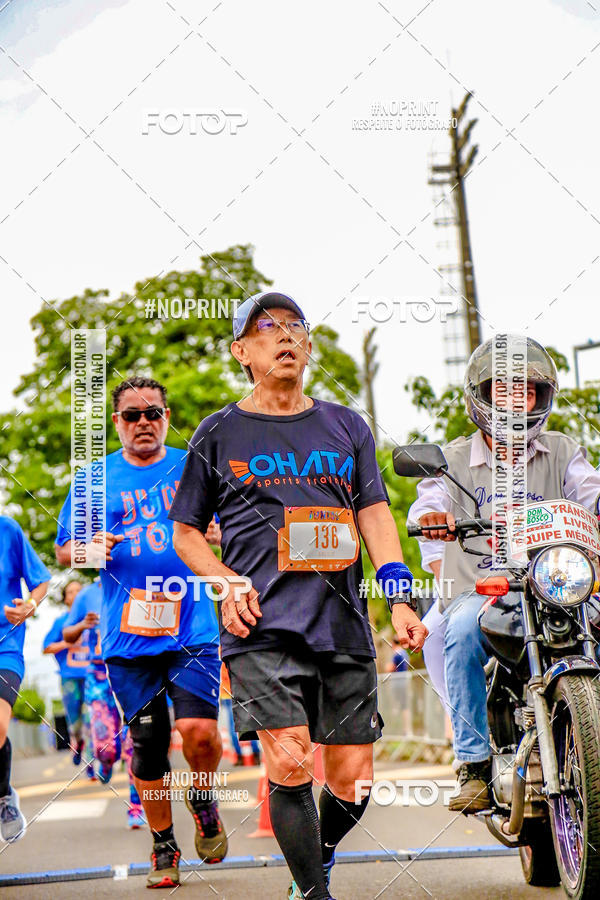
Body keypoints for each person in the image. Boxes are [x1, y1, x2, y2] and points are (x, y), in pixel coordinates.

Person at [168, 291, 428, 900]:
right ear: (242, 351)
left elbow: (375, 515)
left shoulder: (346, 426)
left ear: (308, 346)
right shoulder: (218, 432)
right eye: (267, 328)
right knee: (287, 761)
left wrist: (400, 596)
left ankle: (319, 854)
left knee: (352, 780)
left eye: (295, 326)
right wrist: (224, 578)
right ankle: (313, 892)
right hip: (260, 626)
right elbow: (185, 533)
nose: (284, 335)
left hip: (340, 627)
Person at [408, 335, 600, 812]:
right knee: (460, 630)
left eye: (528, 392)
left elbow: (590, 494)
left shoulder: (562, 450)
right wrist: (433, 518)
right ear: (481, 395)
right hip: (485, 588)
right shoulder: (452, 460)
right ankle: (472, 764)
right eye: (505, 390)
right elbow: (428, 507)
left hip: (557, 585)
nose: (517, 402)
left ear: (542, 399)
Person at [55, 376, 225, 888]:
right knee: (148, 746)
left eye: (153, 413)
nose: (144, 423)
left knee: (199, 734)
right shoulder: (92, 478)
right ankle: (163, 845)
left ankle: (202, 798)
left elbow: (228, 524)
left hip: (192, 627)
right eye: (133, 415)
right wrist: (87, 551)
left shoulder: (191, 466)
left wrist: (216, 534)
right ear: (117, 423)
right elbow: (65, 550)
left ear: (167, 417)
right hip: (128, 639)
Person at [62, 580, 145, 827]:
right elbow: (67, 634)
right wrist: (82, 625)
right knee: (106, 748)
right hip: (98, 676)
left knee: (134, 743)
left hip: (133, 670)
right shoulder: (87, 594)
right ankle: (106, 761)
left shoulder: (136, 582)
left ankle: (136, 805)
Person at [0, 515, 50, 843]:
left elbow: (41, 581)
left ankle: (3, 797)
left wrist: (29, 605)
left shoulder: (7, 529)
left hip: (5, 648)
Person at [42, 580, 88, 766]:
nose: (76, 594)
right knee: (76, 722)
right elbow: (46, 648)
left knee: (92, 718)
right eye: (71, 591)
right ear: (66, 599)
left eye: (79, 590)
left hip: (93, 676)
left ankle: (92, 763)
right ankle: (79, 741)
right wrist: (67, 644)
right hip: (69, 678)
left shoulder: (94, 619)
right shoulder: (61, 622)